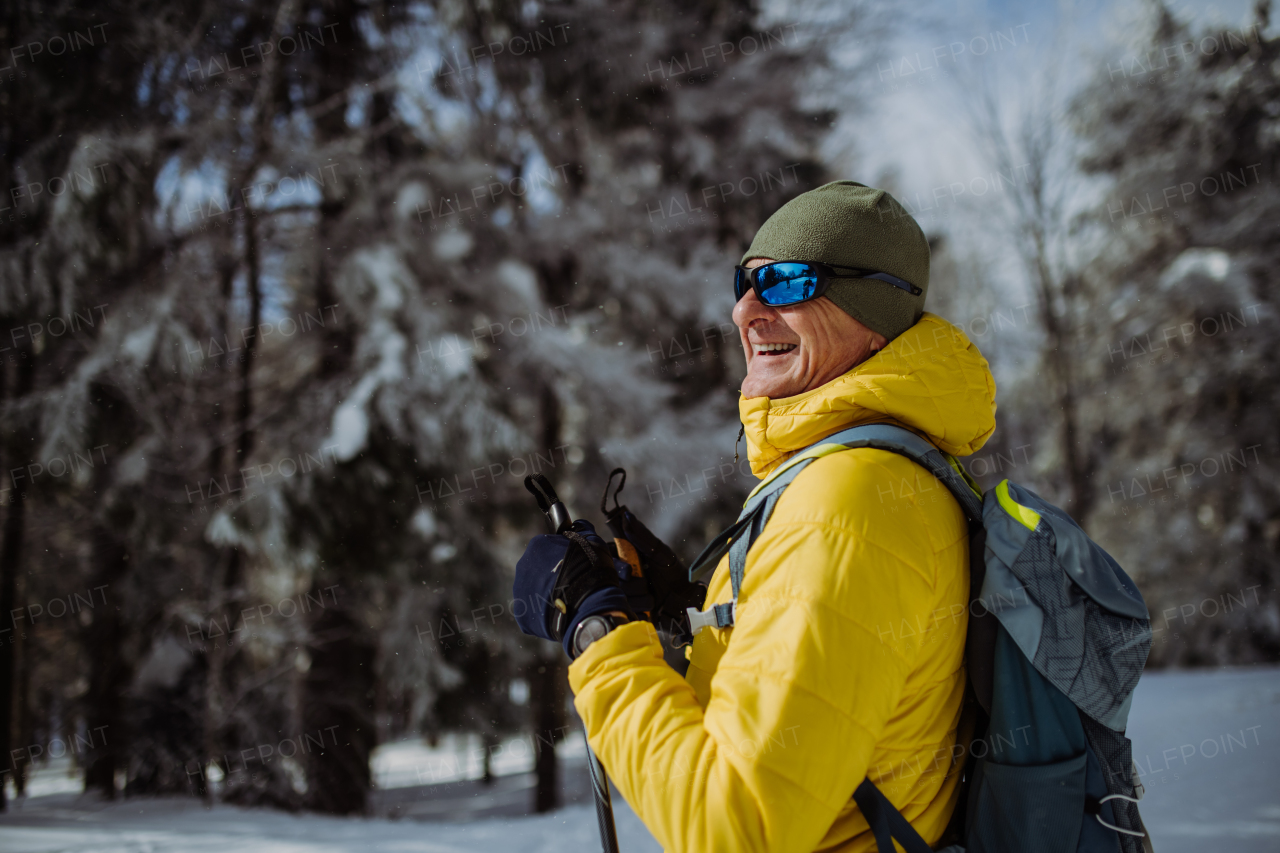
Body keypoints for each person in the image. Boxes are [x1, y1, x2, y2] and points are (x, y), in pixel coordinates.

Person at [513, 180, 997, 851]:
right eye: (743, 280)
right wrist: (687, 620)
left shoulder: (846, 502)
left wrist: (600, 636)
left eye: (786, 282)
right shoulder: (886, 470)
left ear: (874, 312)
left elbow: (736, 828)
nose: (746, 310)